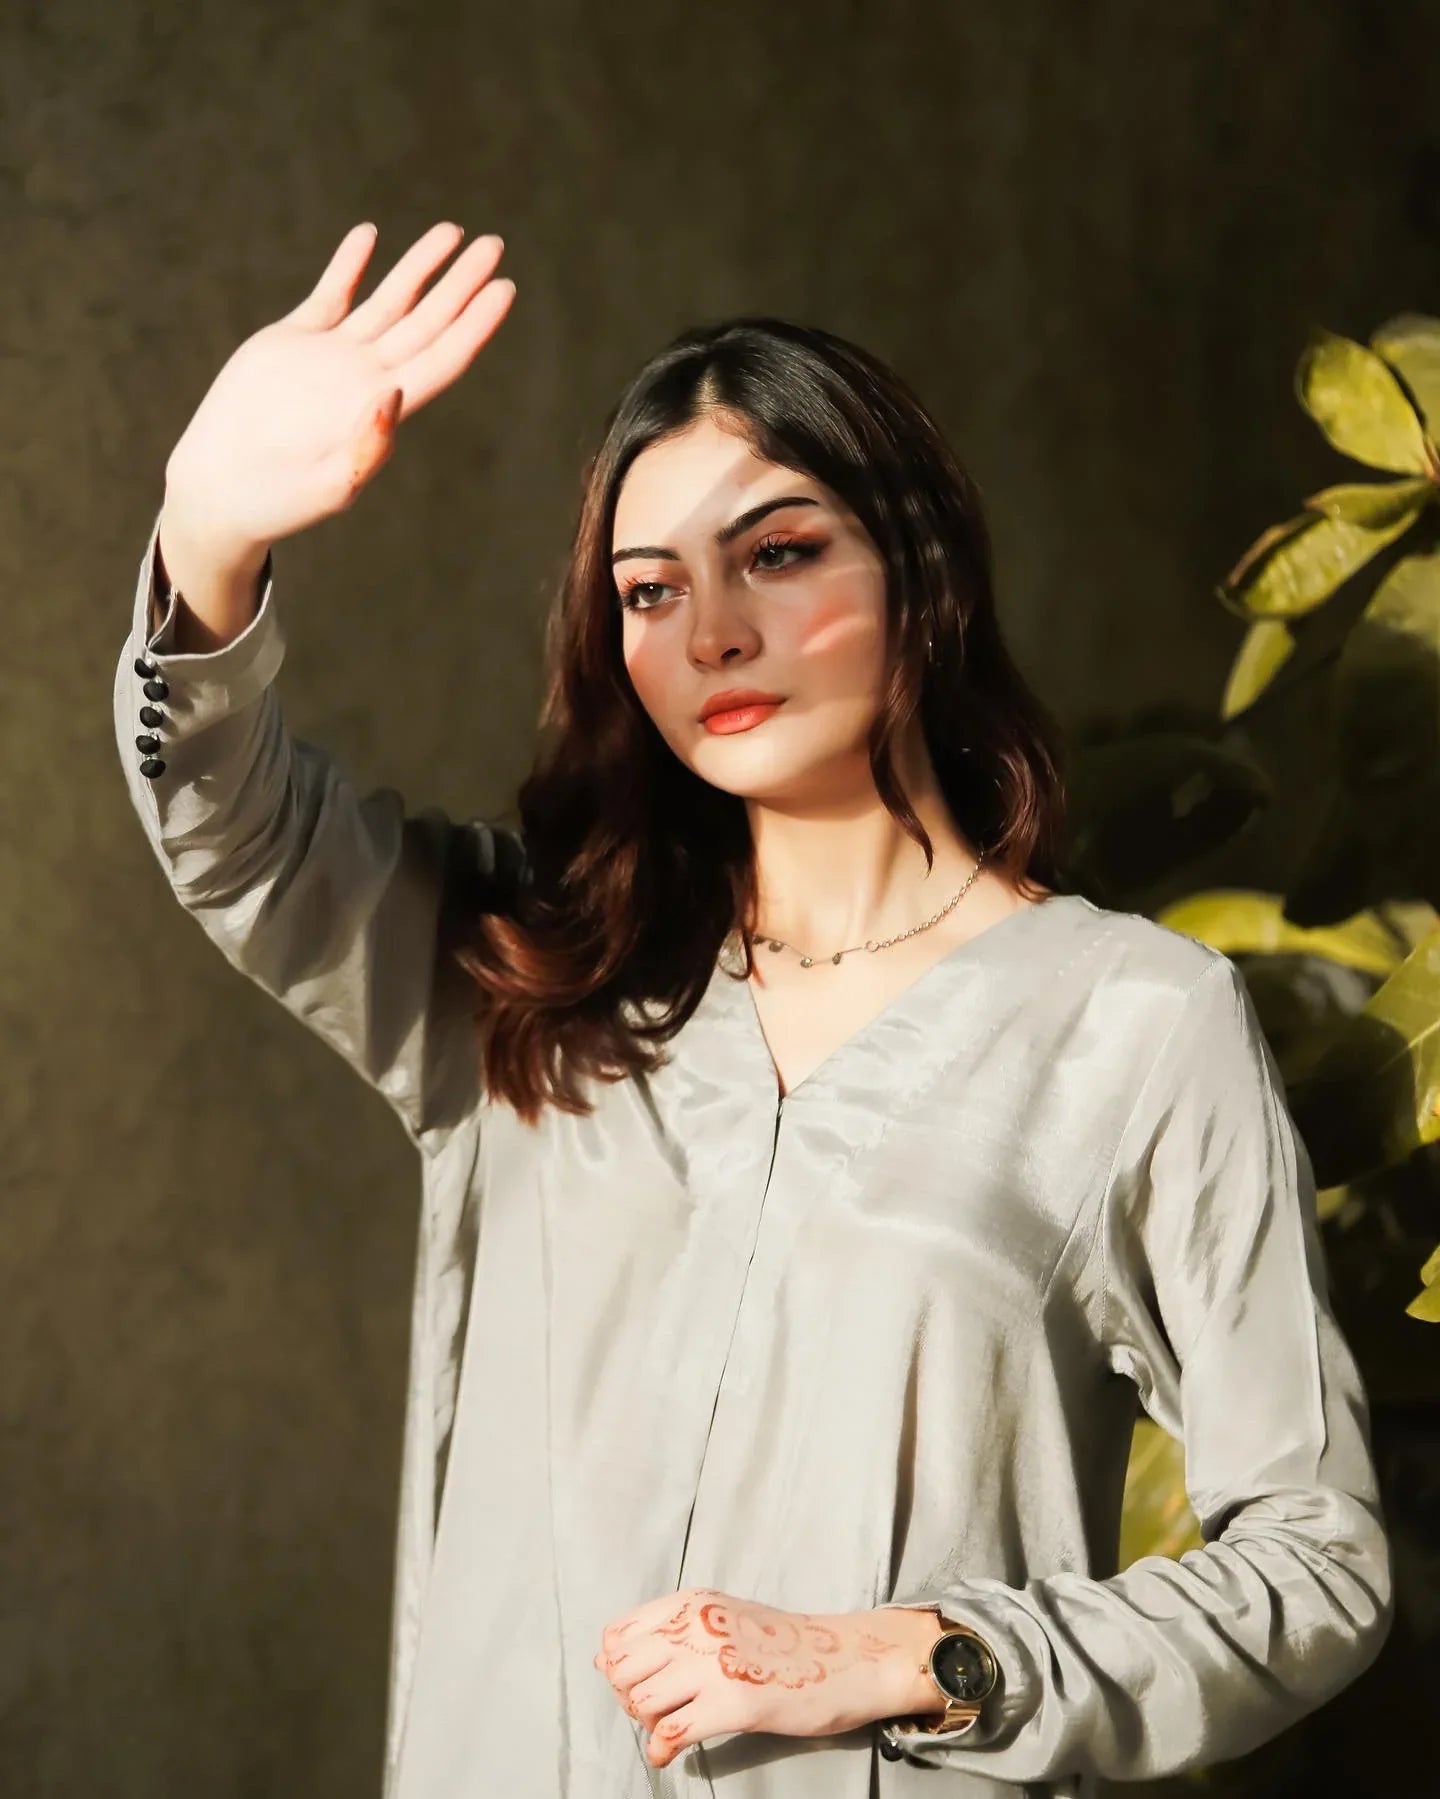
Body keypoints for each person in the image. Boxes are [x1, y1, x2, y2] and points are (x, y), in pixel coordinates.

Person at [114, 221, 1393, 1799]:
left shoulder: (1133, 1024)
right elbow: (236, 833)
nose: (712, 627)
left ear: (919, 569)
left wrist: (923, 1656)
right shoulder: (528, 976)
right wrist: (208, 538)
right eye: (651, 589)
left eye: (779, 553)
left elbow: (1317, 1559)